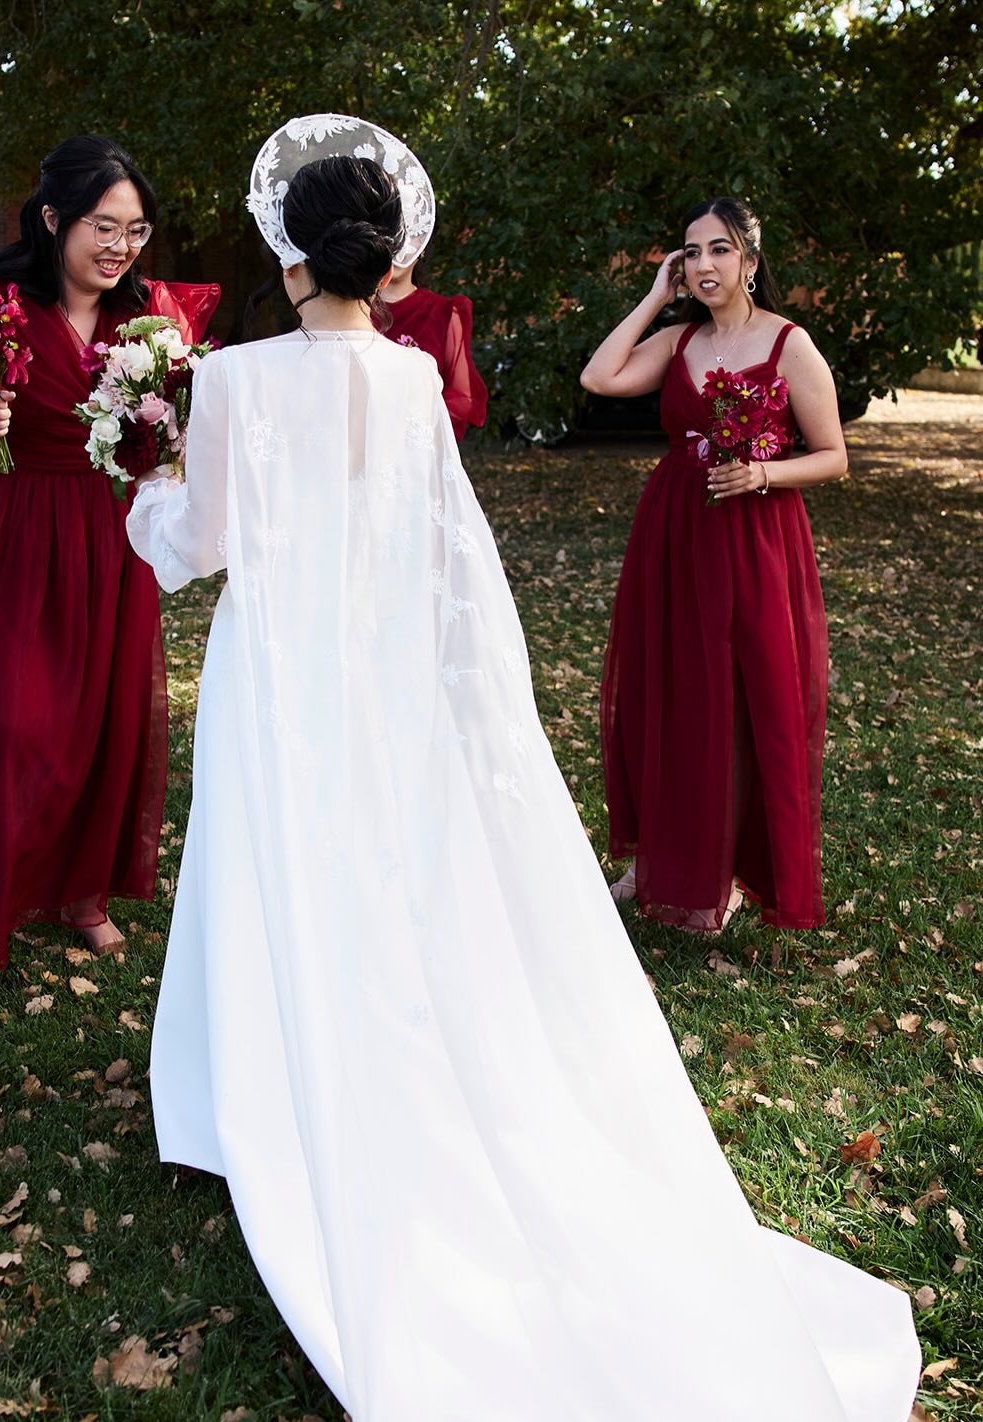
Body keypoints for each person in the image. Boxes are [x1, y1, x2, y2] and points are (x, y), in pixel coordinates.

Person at [127, 122, 918, 1422]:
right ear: (382, 259)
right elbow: (441, 554)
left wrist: (143, 481)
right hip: (384, 671)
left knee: (273, 853)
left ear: (288, 256)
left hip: (279, 669)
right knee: (379, 862)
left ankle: (254, 1092)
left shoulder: (234, 382)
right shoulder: (406, 380)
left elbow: (193, 544)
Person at [0, 134, 218, 985]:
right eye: (103, 225)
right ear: (54, 219)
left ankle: (84, 893)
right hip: (15, 526)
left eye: (135, 229)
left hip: (108, 532)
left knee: (102, 716)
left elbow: (169, 435)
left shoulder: (152, 318)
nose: (120, 246)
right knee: (3, 719)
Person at [582, 196, 844, 932]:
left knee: (740, 699)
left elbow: (833, 456)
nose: (703, 264)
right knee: (672, 691)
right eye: (690, 252)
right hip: (674, 533)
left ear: (750, 262)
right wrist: (653, 296)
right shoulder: (677, 342)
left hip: (755, 538)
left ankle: (726, 870)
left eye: (719, 249)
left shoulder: (788, 344)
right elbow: (599, 377)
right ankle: (659, 859)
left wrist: (762, 473)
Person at [384, 252, 488, 440]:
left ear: (423, 247)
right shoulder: (347, 308)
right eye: (390, 239)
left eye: (409, 238)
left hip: (414, 447)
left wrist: (410, 423)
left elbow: (463, 398)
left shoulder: (443, 313)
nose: (398, 250)